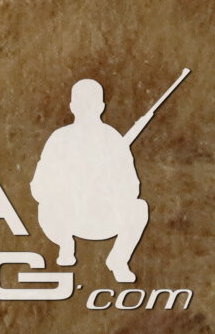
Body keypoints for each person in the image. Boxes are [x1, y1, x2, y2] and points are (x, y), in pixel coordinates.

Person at [33, 79, 150, 285]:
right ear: (72, 107)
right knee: (48, 207)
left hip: (103, 217)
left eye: (91, 104)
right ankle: (65, 244)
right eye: (81, 103)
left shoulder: (113, 139)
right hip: (67, 218)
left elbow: (132, 186)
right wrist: (68, 190)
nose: (87, 109)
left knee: (139, 209)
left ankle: (118, 260)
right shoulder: (59, 139)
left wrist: (106, 190)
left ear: (101, 107)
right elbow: (39, 185)